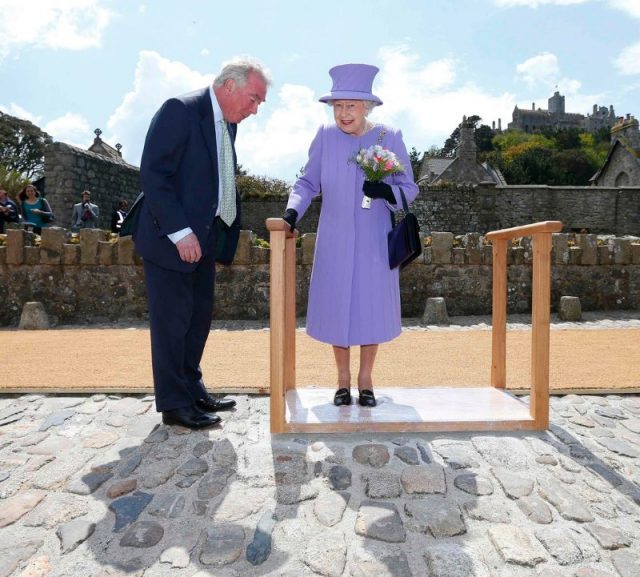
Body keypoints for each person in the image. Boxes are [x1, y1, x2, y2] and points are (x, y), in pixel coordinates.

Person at [132, 56, 270, 429]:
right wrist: (180, 232)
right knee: (172, 323)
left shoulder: (227, 125)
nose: (255, 109)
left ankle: (192, 390)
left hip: (204, 240)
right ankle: (175, 406)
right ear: (230, 86)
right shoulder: (180, 110)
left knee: (197, 320)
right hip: (170, 240)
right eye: (254, 99)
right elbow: (154, 174)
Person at [281, 63, 419, 408]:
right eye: (338, 106)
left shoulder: (390, 136)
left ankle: (366, 379)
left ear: (367, 107)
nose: (343, 114)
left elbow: (409, 186)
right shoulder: (325, 136)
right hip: (334, 237)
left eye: (351, 106)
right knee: (338, 306)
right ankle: (342, 381)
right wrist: (292, 211)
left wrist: (387, 193)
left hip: (375, 238)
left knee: (369, 308)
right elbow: (307, 182)